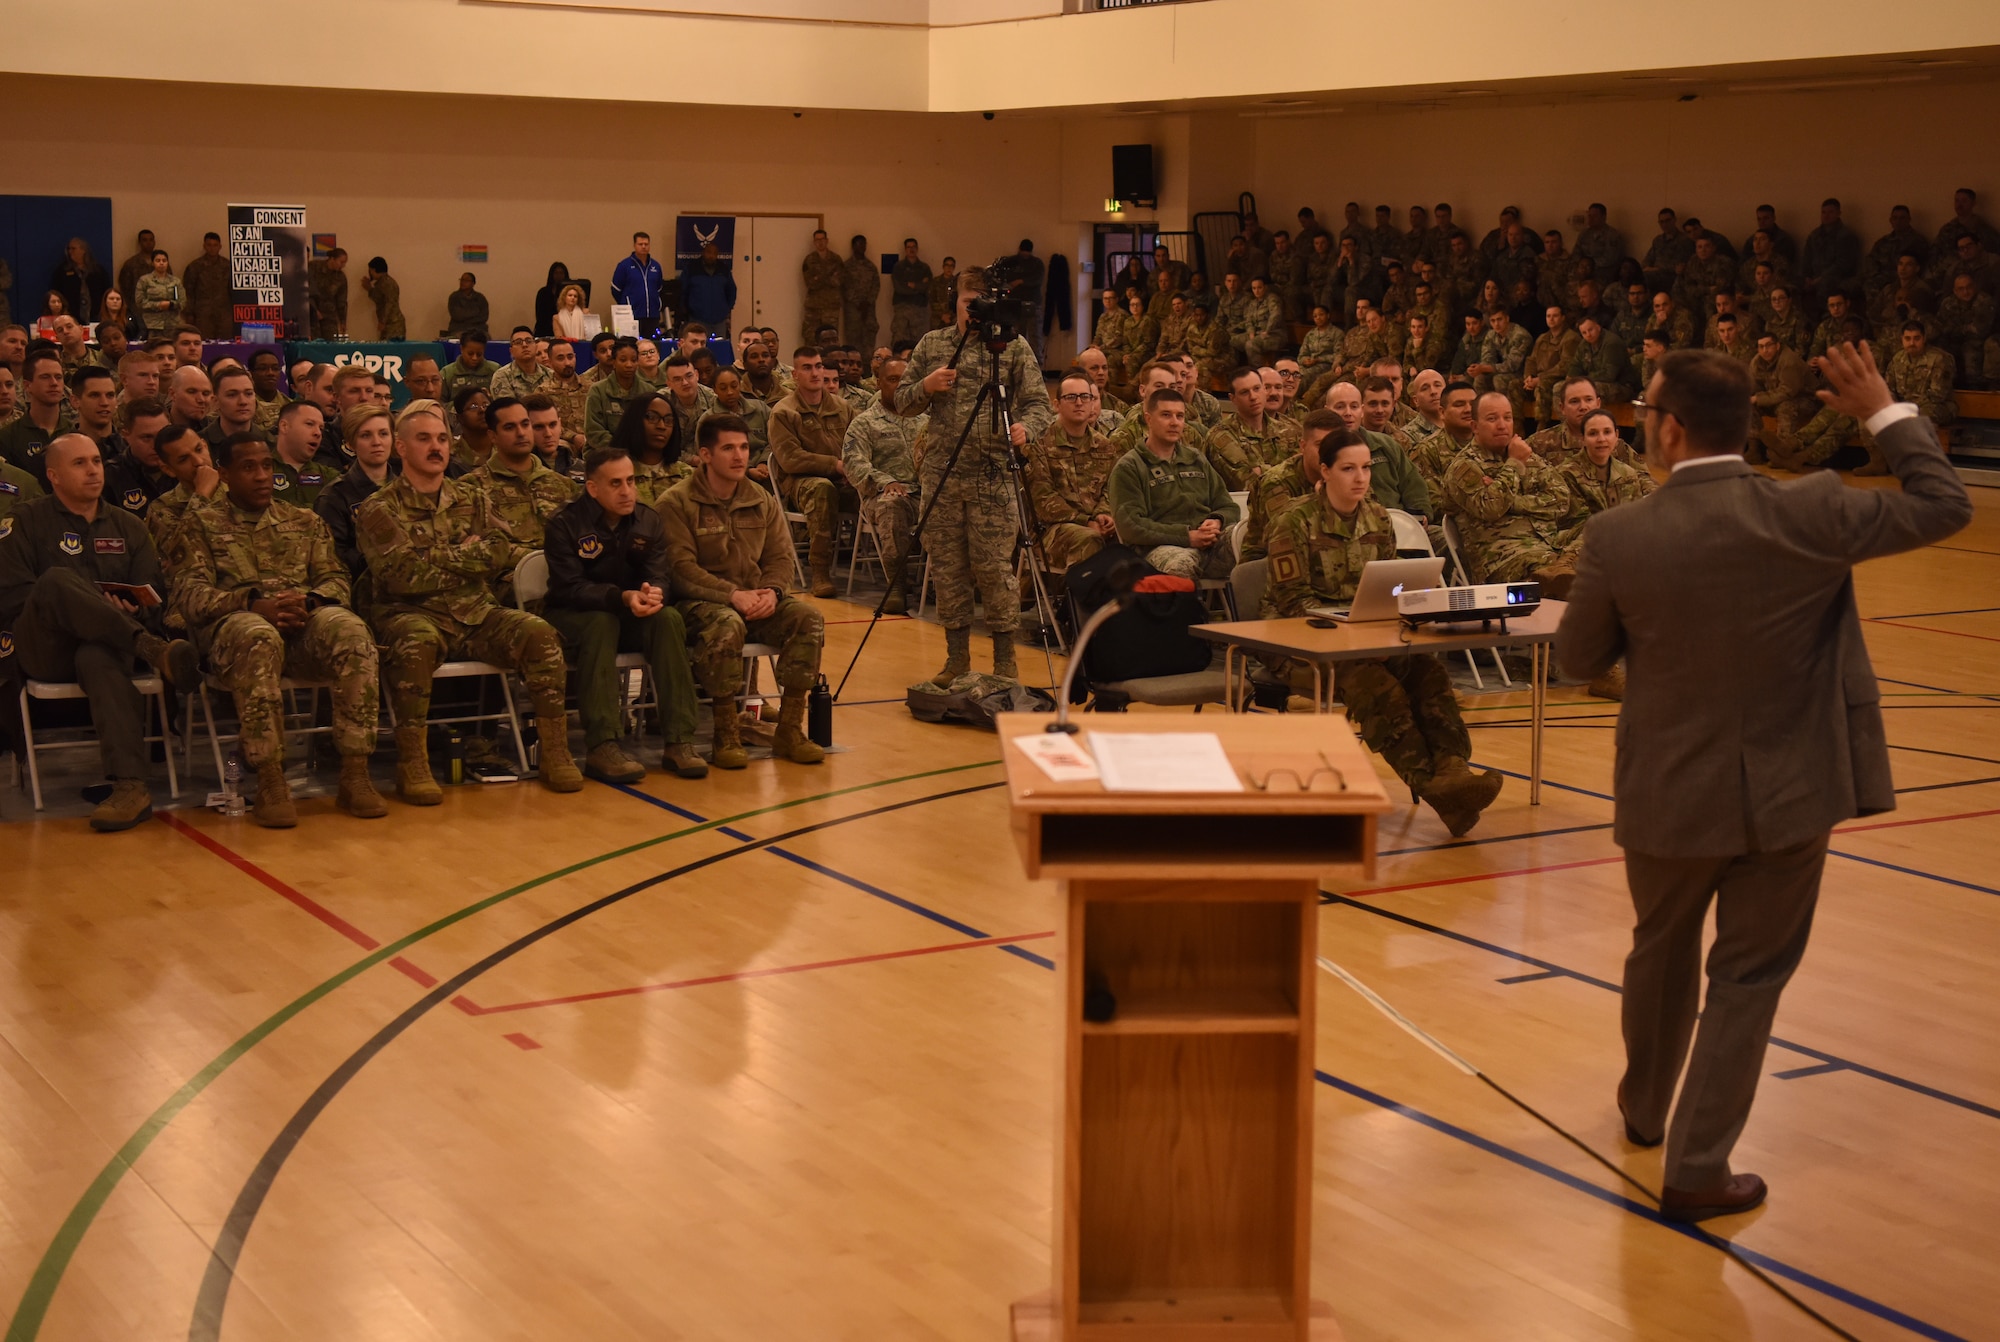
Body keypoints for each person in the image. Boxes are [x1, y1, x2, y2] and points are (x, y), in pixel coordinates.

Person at [1555, 344, 1969, 1221]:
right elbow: (1944, 502)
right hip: (1792, 791)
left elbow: (1579, 660)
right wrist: (1883, 410)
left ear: (1668, 430)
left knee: (1658, 954)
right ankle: (1700, 1165)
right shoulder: (1813, 511)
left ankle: (1643, 1111)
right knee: (1749, 979)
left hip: (1669, 790)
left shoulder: (1618, 536)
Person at [1261, 427, 1503, 835]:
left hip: (1367, 637)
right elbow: (1292, 604)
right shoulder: (1293, 520)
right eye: (1348, 468)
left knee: (1429, 673)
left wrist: (1396, 619)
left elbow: (1391, 587)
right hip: (1299, 643)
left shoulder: (1377, 517)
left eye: (1366, 468)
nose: (1360, 477)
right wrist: (1354, 637)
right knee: (1376, 687)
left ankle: (1453, 770)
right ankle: (1434, 788)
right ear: (1325, 471)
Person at [357, 401, 582, 801]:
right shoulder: (379, 507)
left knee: (538, 633)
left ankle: (555, 752)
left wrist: (433, 557)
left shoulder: (472, 497)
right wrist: (463, 556)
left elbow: (497, 551)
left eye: (442, 438)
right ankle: (413, 763)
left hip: (476, 612)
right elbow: (400, 575)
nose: (436, 447)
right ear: (401, 448)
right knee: (414, 644)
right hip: (412, 614)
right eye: (424, 439)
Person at [173, 432, 386, 825]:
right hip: (236, 637)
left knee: (353, 633)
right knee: (258, 633)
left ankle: (355, 773)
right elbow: (189, 597)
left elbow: (336, 579)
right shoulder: (200, 524)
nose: (261, 476)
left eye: (267, 466)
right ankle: (270, 779)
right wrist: (252, 603)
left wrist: (310, 603)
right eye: (248, 468)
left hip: (302, 627)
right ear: (224, 474)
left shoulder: (303, 520)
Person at [0, 434, 198, 829]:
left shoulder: (129, 526)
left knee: (99, 654)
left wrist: (128, 612)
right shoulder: (25, 521)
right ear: (53, 475)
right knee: (55, 581)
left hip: (108, 646)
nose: (93, 469)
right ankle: (153, 650)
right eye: (80, 463)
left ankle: (131, 787)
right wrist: (92, 603)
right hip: (46, 648)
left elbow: (151, 598)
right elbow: (14, 597)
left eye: (96, 460)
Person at [892, 265, 1053, 684]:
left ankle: (1004, 663)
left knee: (995, 571)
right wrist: (926, 385)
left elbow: (1039, 404)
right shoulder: (933, 345)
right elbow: (901, 403)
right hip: (943, 478)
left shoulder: (1013, 348)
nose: (976, 311)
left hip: (994, 478)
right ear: (955, 303)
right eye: (969, 302)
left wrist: (1026, 429)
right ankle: (957, 660)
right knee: (948, 571)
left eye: (984, 302)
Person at [659, 415, 826, 768]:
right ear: (705, 454)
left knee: (807, 617)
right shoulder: (677, 502)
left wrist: (773, 592)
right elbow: (680, 570)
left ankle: (790, 729)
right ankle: (726, 732)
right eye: (728, 448)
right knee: (726, 624)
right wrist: (732, 595)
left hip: (756, 600)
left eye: (744, 448)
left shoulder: (759, 499)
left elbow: (781, 556)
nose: (739, 456)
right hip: (701, 604)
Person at [540, 446, 706, 783]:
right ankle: (603, 744)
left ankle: (680, 740)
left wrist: (654, 591)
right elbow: (569, 588)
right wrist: (621, 596)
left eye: (631, 481)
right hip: (572, 615)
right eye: (616, 484)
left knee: (668, 618)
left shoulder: (648, 519)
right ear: (592, 488)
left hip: (628, 611)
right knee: (601, 623)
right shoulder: (565, 523)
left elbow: (660, 571)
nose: (627, 490)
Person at [1441, 390, 1579, 593]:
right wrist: (1514, 464)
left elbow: (1562, 501)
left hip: (1549, 543)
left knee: (1598, 533)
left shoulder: (1522, 453)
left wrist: (1513, 503)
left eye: (1507, 417)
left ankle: (1562, 569)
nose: (1502, 425)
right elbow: (1491, 508)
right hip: (1504, 558)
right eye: (1492, 418)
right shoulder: (1464, 467)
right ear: (1475, 427)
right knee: (1574, 577)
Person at [1106, 387, 1239, 580]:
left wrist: (1216, 520)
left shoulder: (1196, 459)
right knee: (1180, 565)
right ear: (1148, 419)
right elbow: (1131, 526)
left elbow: (1227, 505)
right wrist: (1187, 537)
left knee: (1252, 543)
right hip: (1158, 550)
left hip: (1208, 543)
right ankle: (1187, 610)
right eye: (1166, 415)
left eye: (1180, 416)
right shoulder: (1130, 466)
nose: (1174, 423)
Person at [767, 346, 855, 597]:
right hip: (800, 483)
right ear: (795, 374)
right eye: (807, 368)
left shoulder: (842, 407)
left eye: (818, 366)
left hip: (844, 478)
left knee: (883, 492)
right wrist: (834, 465)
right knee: (821, 489)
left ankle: (897, 575)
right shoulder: (784, 412)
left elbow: (857, 445)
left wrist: (856, 469)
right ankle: (820, 572)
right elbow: (791, 460)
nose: (815, 373)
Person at [841, 356, 924, 610]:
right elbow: (853, 462)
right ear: (878, 383)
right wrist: (884, 481)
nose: (900, 385)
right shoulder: (864, 423)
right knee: (892, 505)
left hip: (927, 492)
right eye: (893, 379)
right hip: (883, 496)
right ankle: (896, 584)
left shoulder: (925, 420)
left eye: (905, 380)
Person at [1023, 371, 1121, 574]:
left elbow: (1112, 489)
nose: (1079, 403)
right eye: (1071, 397)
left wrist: (1103, 515)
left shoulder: (1105, 445)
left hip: (1095, 524)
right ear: (1056, 405)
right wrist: (1086, 521)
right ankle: (1080, 605)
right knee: (1089, 539)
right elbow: (1043, 501)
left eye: (1086, 397)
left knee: (1131, 538)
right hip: (1051, 530)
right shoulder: (1040, 444)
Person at [467, 395, 577, 551]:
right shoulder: (471, 487)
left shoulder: (564, 485)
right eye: (510, 427)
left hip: (563, 570)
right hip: (508, 573)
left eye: (525, 424)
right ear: (493, 436)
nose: (521, 433)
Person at [315, 404, 394, 578]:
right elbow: (334, 556)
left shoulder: (407, 488)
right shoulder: (334, 496)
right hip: (363, 586)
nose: (377, 442)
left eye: (383, 433)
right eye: (366, 435)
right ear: (351, 443)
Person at [1206, 366, 1299, 491]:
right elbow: (1246, 482)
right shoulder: (1221, 435)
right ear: (1233, 399)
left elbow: (1303, 474)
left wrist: (1261, 470)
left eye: (1257, 389)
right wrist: (1288, 469)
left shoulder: (1289, 430)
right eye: (1245, 392)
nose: (1253, 397)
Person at [0, 349, 76, 484]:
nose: (54, 383)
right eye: (45, 377)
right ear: (27, 386)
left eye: (58, 377)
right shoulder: (8, 437)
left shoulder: (74, 434)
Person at [611, 232, 666, 338]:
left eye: (646, 244)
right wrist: (627, 303)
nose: (644, 247)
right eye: (640, 244)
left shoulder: (656, 266)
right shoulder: (624, 266)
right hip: (632, 315)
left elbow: (659, 288)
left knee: (651, 345)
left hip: (652, 315)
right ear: (634, 245)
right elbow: (615, 289)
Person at [680, 241, 736, 339]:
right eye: (709, 252)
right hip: (697, 319)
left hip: (719, 320)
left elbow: (732, 290)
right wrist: (686, 310)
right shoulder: (691, 268)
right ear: (703, 253)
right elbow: (682, 291)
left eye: (714, 253)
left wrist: (727, 308)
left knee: (719, 350)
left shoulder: (724, 269)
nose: (711, 256)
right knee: (697, 349)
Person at [182, 233, 233, 339]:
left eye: (215, 245)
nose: (212, 248)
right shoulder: (195, 266)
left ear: (220, 246)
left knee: (226, 343)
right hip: (203, 314)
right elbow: (188, 291)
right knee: (204, 344)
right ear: (204, 246)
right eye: (209, 245)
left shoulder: (228, 266)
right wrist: (189, 314)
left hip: (224, 314)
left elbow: (234, 291)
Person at [841, 234, 881, 357]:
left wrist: (868, 302)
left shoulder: (871, 266)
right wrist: (857, 302)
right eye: (859, 244)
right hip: (853, 311)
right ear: (853, 246)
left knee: (869, 340)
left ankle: (869, 369)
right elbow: (844, 287)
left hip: (869, 311)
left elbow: (876, 286)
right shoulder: (846, 266)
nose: (862, 247)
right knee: (853, 342)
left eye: (864, 244)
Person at [50, 238, 109, 321]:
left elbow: (107, 291)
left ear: (83, 250)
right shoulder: (62, 271)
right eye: (68, 249)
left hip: (95, 315)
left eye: (73, 248)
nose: (70, 251)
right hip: (70, 315)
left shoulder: (98, 271)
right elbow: (55, 293)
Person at [488, 327, 551, 401]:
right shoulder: (502, 375)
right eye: (518, 342)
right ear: (511, 351)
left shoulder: (550, 374)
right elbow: (506, 408)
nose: (524, 345)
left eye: (529, 341)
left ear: (536, 347)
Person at [134, 251, 184, 338]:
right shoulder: (145, 280)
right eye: (158, 260)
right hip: (152, 324)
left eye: (164, 261)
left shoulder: (175, 281)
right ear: (153, 263)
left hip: (172, 324)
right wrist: (158, 305)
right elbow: (140, 302)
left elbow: (182, 301)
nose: (161, 263)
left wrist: (171, 305)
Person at [535, 262, 590, 339]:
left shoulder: (584, 312)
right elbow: (540, 315)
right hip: (545, 331)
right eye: (556, 273)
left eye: (561, 273)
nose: (559, 276)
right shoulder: (543, 292)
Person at [359, 256, 406, 340]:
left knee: (390, 351)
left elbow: (389, 303)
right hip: (390, 324)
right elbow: (379, 298)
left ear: (373, 270)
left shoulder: (387, 283)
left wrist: (382, 321)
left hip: (393, 326)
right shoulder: (382, 283)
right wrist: (369, 288)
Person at [308, 248, 348, 338]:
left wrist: (342, 321)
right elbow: (308, 291)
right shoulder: (314, 267)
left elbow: (342, 301)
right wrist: (314, 309)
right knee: (314, 345)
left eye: (344, 263)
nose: (343, 265)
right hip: (312, 315)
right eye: (341, 262)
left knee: (331, 344)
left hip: (329, 316)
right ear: (332, 259)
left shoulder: (340, 277)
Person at [446, 272, 488, 339]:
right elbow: (457, 316)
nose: (463, 282)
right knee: (462, 338)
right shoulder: (454, 297)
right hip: (459, 329)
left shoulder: (480, 298)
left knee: (485, 338)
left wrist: (465, 316)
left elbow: (484, 317)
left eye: (466, 280)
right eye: (462, 280)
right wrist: (475, 312)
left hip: (478, 329)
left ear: (473, 283)